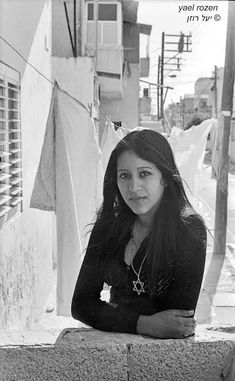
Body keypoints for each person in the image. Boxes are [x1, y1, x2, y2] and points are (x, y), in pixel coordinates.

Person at [71, 129, 207, 339]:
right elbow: (81, 304)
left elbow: (178, 322)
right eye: (124, 176)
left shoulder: (188, 230)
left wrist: (110, 315)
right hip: (112, 350)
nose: (133, 187)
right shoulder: (109, 225)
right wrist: (146, 324)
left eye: (144, 173)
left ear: (165, 177)